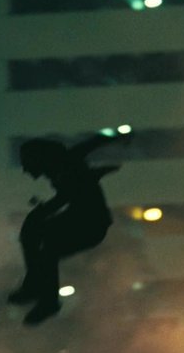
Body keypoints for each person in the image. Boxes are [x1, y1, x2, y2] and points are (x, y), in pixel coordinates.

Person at [8, 134, 126, 325]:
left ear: (38, 159)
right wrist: (118, 138)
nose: (25, 169)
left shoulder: (66, 168)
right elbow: (90, 144)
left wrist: (41, 212)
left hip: (89, 224)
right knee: (38, 238)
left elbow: (64, 197)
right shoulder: (64, 163)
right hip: (81, 219)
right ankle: (38, 289)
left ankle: (44, 297)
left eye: (26, 163)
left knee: (46, 246)